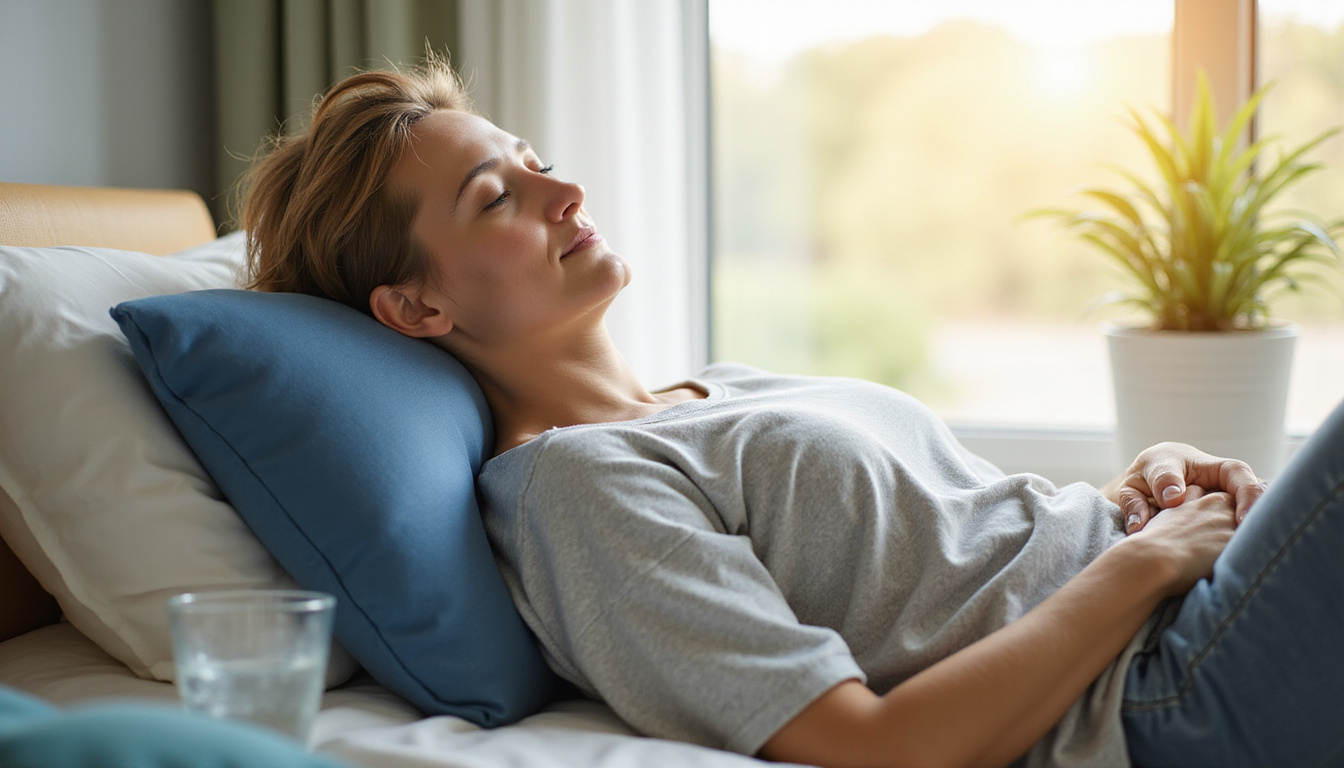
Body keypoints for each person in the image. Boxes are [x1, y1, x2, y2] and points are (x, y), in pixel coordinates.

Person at [240, 57, 1344, 768]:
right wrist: (1145, 568)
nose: (564, 195)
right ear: (416, 303)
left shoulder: (712, 393)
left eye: (541, 168)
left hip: (1172, 603)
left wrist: (1140, 493)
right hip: (1158, 696)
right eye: (498, 199)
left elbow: (957, 565)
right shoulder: (574, 492)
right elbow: (873, 745)